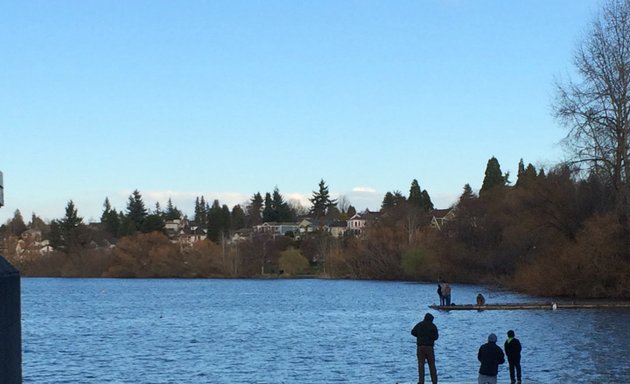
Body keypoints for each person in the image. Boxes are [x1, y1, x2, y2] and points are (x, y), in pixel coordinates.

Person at [411, 313, 439, 384]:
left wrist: (419, 336)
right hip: (429, 347)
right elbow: (436, 337)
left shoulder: (419, 324)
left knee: (421, 365)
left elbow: (413, 332)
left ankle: (421, 382)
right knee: (432, 365)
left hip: (420, 347)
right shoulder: (433, 326)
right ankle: (434, 381)